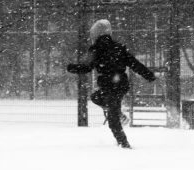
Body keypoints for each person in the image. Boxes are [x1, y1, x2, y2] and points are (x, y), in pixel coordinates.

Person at [67, 19, 156, 149]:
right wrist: (149, 75)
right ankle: (118, 114)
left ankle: (124, 144)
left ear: (95, 35)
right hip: (120, 85)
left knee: (112, 118)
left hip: (110, 86)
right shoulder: (119, 47)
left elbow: (87, 67)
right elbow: (135, 64)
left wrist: (71, 67)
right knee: (96, 97)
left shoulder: (95, 49)